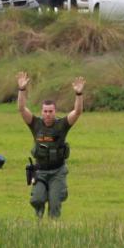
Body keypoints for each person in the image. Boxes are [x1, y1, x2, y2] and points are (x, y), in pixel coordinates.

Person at [16, 71, 85, 219]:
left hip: (57, 172)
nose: (48, 114)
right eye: (45, 111)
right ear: (42, 112)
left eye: (51, 111)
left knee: (55, 203)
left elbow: (78, 112)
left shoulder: (62, 125)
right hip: (40, 171)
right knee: (37, 199)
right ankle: (39, 222)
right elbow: (21, 109)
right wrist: (22, 90)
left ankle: (53, 230)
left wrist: (79, 94)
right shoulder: (35, 124)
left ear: (55, 112)